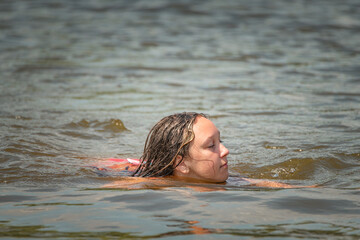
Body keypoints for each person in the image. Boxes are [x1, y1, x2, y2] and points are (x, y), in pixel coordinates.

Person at [100, 112, 314, 189]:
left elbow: (267, 184)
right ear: (182, 164)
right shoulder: (148, 184)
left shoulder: (227, 179)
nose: (225, 151)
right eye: (211, 145)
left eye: (220, 141)